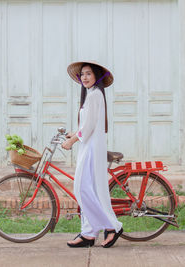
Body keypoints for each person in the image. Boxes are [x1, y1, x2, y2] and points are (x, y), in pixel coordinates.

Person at [61, 61, 123, 248]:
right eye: (82, 74)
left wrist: (71, 141)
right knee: (89, 191)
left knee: (82, 190)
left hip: (91, 150)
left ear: (96, 76)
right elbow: (88, 125)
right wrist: (74, 133)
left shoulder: (95, 95)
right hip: (88, 147)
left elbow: (88, 128)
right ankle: (89, 233)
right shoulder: (92, 95)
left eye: (88, 74)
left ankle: (112, 226)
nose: (85, 77)